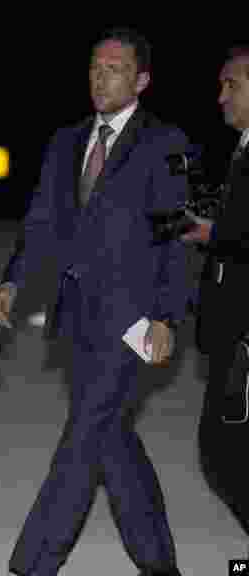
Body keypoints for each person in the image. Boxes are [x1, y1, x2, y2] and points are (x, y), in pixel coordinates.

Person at [0, 28, 191, 576]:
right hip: (75, 316)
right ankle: (157, 561)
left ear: (142, 80)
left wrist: (167, 315)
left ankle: (32, 564)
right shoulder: (66, 141)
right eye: (94, 68)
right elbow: (42, 223)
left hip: (131, 321)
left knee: (82, 439)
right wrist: (13, 281)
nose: (100, 78)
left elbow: (174, 235)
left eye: (115, 69)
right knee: (109, 440)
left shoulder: (165, 143)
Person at [179, 44, 249, 538]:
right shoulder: (243, 149)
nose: (221, 96)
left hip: (246, 339)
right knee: (225, 454)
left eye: (233, 84)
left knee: (224, 456)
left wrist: (211, 232)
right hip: (230, 335)